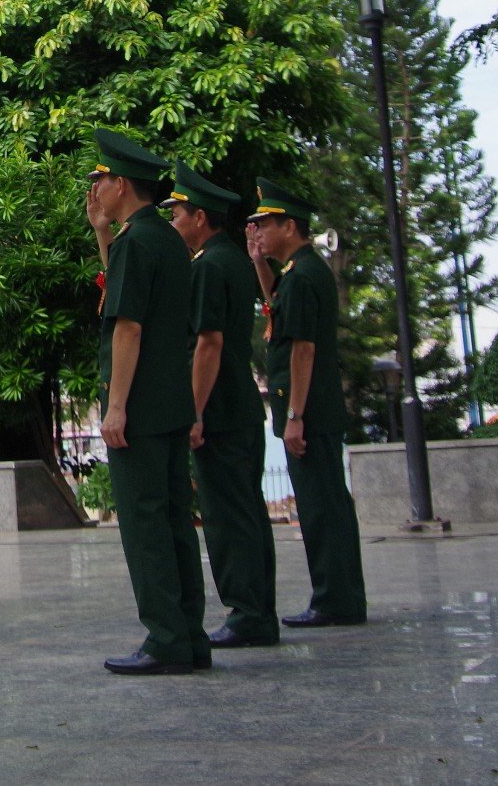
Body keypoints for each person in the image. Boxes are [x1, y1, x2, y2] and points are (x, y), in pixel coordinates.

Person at [90, 129, 207, 675]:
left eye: (102, 181)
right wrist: (102, 235)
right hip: (170, 402)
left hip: (139, 406)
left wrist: (115, 407)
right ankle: (188, 635)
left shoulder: (138, 242)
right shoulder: (162, 239)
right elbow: (126, 290)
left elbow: (128, 326)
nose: (97, 190)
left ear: (121, 183)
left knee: (145, 527)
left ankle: (163, 638)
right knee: (175, 522)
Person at [168, 166, 277, 648]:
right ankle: (256, 609)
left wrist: (193, 411)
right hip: (239, 406)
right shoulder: (230, 259)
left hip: (221, 409)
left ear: (199, 217)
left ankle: (248, 613)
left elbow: (207, 343)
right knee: (246, 511)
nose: (172, 221)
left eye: (177, 213)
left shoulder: (209, 266)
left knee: (229, 516)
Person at [250, 179, 366, 627]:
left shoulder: (303, 275)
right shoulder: (302, 271)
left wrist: (295, 415)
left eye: (265, 224)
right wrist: (260, 264)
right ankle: (339, 596)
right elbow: (275, 305)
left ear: (290, 226)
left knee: (321, 507)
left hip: (309, 411)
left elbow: (302, 349)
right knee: (323, 503)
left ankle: (335, 599)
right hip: (312, 409)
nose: (258, 231)